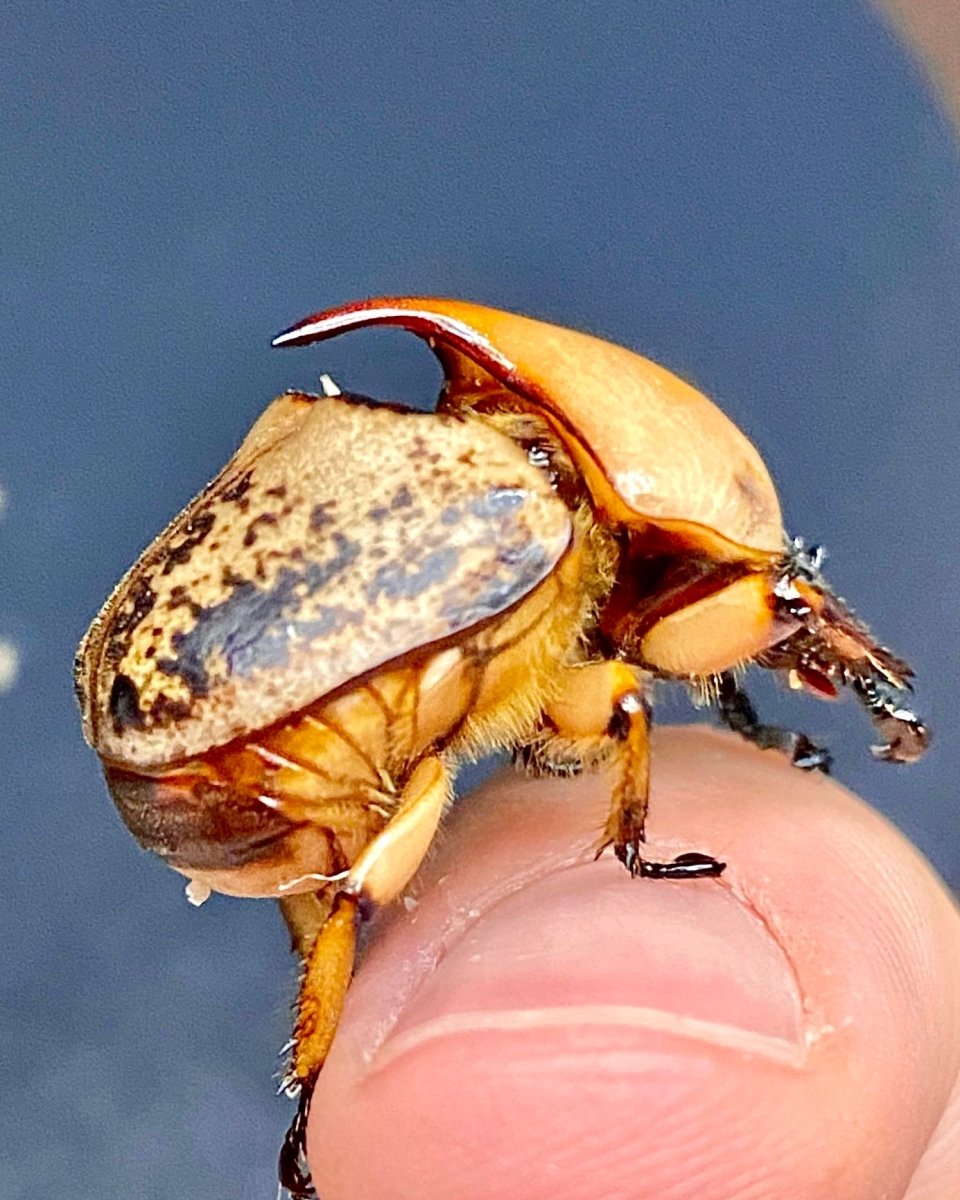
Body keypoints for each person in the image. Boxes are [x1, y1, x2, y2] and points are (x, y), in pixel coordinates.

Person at [304, 728, 960, 1197]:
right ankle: (304, 1092)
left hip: (301, 754)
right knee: (355, 890)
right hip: (301, 736)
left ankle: (306, 1095)